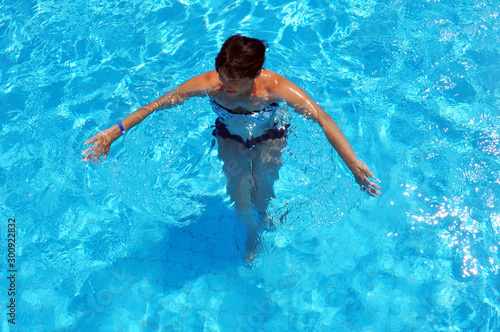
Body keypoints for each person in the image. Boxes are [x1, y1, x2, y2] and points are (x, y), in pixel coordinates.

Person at [82, 35, 381, 262]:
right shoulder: (211, 83)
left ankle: (259, 224)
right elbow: (159, 104)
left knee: (262, 190)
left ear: (255, 74)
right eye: (223, 77)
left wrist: (352, 163)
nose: (224, 87)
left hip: (271, 137)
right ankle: (251, 230)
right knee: (239, 192)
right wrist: (115, 131)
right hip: (229, 136)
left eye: (234, 83)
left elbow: (321, 118)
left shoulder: (275, 87)